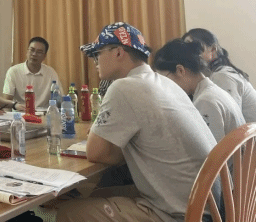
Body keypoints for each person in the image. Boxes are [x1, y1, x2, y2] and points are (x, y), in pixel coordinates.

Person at [52, 22, 216, 222]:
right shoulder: (165, 83)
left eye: (97, 54)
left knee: (68, 212)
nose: (95, 61)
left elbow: (95, 152)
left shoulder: (124, 87)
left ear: (118, 52)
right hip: (208, 206)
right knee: (96, 192)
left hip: (183, 215)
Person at [154, 38, 245, 143]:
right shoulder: (212, 92)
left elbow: (212, 149)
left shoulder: (205, 101)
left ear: (180, 70)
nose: (165, 86)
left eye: (164, 79)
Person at [183, 28, 256, 122]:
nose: (189, 55)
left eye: (194, 48)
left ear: (213, 49)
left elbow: (232, 120)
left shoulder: (223, 76)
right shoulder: (215, 75)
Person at [3, 37, 62, 108]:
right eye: (32, 50)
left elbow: (59, 99)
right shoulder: (14, 71)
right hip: (21, 112)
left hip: (44, 113)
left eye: (39, 52)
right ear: (27, 52)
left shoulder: (51, 72)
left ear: (44, 56)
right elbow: (6, 100)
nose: (34, 54)